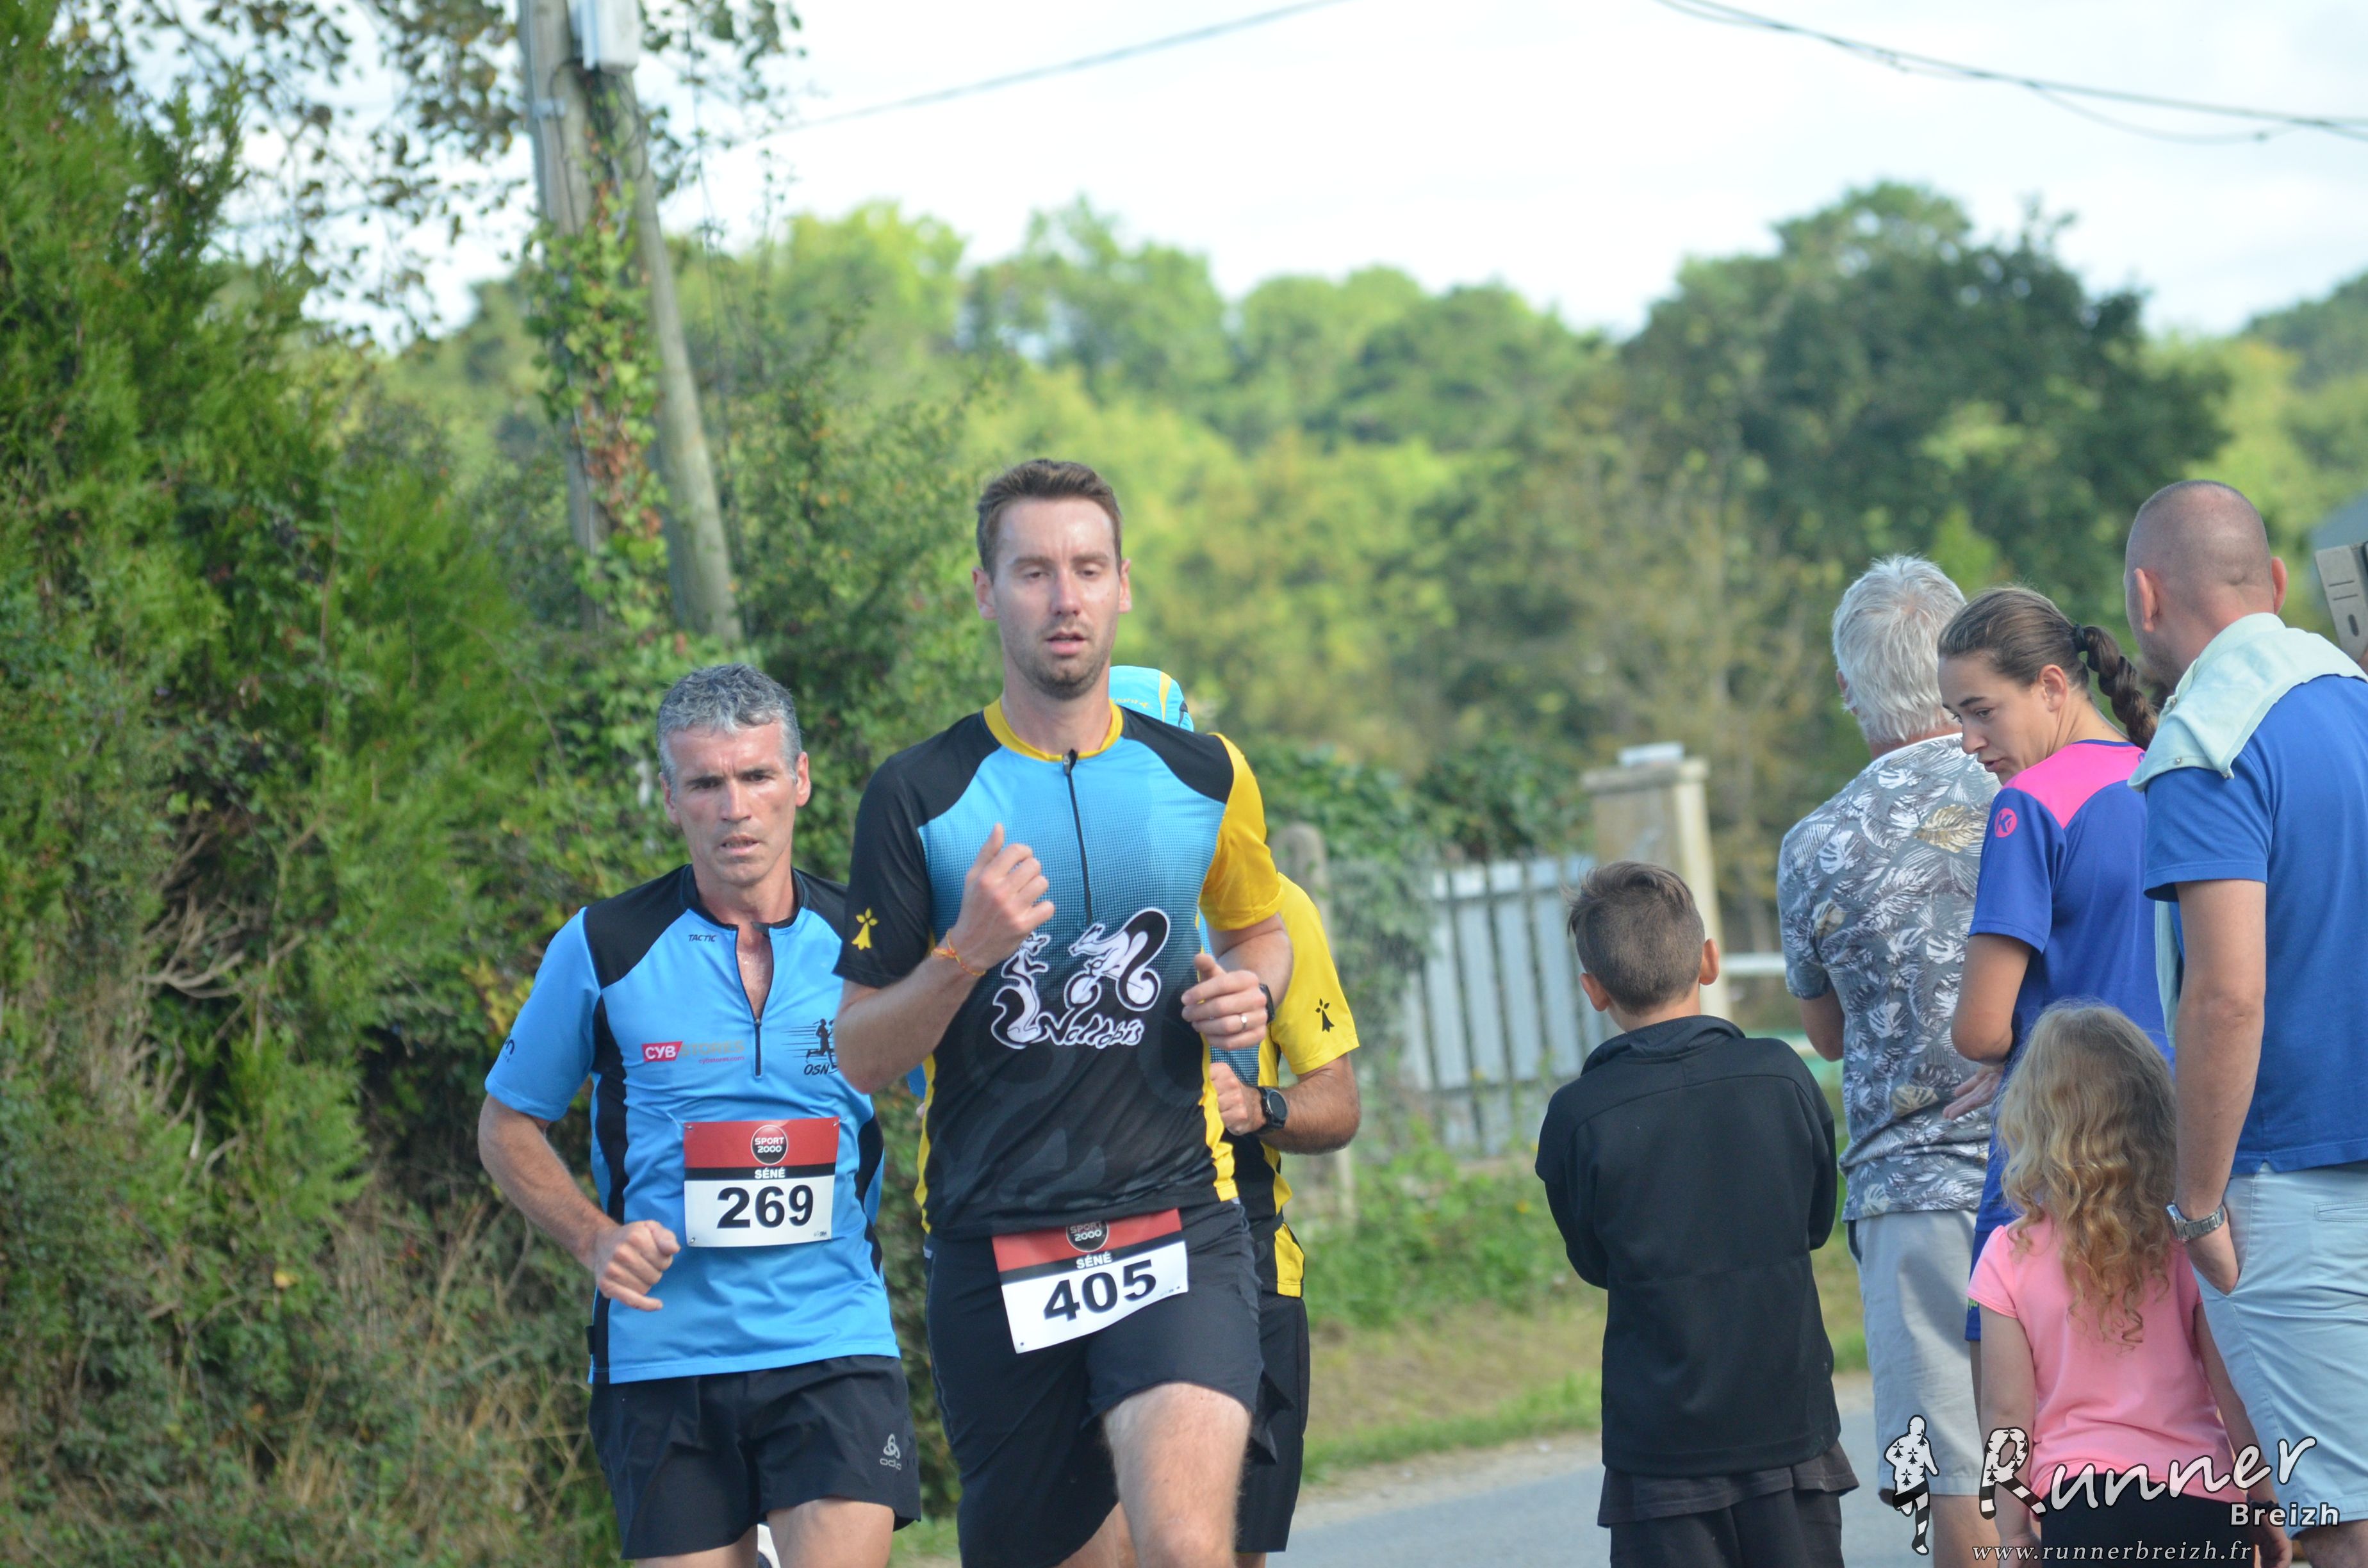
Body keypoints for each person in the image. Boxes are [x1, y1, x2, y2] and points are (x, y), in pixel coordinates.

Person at [831, 461, 1294, 1568]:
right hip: (995, 1241)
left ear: (1124, 584)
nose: (1064, 597)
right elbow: (857, 1052)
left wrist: (1254, 989)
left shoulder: (1203, 772)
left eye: (1087, 568)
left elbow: (1262, 929)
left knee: (1187, 1544)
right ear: (986, 592)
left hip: (1178, 1221)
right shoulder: (919, 794)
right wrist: (963, 954)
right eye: (1033, 571)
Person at [477, 664, 919, 1568]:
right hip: (662, 1355)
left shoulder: (870, 944)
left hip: (832, 1339)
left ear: (800, 780)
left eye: (757, 776)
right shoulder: (605, 944)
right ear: (671, 799)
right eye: (707, 784)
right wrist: (593, 1239)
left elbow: (968, 1092)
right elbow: (506, 1125)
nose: (736, 809)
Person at [2125, 478, 2368, 1568]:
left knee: (2344, 1524)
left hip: (2288, 1183)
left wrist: (2194, 1201)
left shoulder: (2207, 738)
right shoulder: (2355, 699)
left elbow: (2226, 993)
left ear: (2146, 597)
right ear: (2272, 581)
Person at [1109, 666, 1363, 1568]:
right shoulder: (1051, 902)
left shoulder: (1276, 910)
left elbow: (1338, 1103)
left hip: (1246, 1254)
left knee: (1222, 1548)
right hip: (1096, 1250)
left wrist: (1258, 1106)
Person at [1538, 861, 1855, 1568]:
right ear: (1709, 961)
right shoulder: (1781, 1075)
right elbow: (1813, 1224)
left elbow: (1594, 1263)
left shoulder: (1578, 1115)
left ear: (1594, 990)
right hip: (1790, 1427)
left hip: (1661, 1448)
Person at [1776, 556, 1996, 1568]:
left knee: (1957, 1473)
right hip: (2059, 1159)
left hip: (1910, 1193)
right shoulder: (2029, 785)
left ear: (1846, 687)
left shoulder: (1815, 844)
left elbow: (1826, 1035)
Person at [1967, 1004, 2288, 1565]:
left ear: (2031, 1120)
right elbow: (2233, 1388)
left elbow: (2006, 1411)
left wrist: (2013, 1531)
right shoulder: (2187, 1242)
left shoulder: (2008, 1255)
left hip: (2081, 1505)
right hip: (2201, 1496)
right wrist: (2264, 1503)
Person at [1936, 586, 2167, 1352]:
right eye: (1957, 717)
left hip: (2060, 1148)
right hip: (2171, 1136)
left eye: (1981, 712)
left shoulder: (2027, 805)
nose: (1967, 741)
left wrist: (2007, 1047)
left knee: (2021, 1398)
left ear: (2051, 686)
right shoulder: (2162, 774)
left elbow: (1978, 1030)